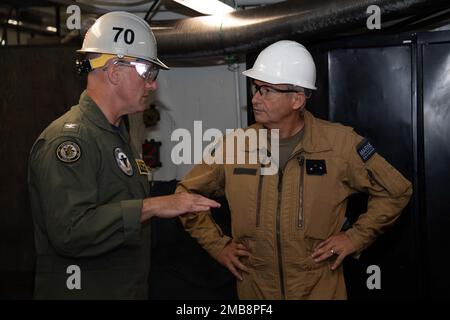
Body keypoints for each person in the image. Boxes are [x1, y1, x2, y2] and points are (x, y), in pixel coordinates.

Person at [176, 40, 413, 299]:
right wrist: (217, 246)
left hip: (318, 288)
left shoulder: (340, 144)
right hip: (255, 289)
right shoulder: (234, 146)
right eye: (256, 88)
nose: (255, 98)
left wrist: (355, 237)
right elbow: (185, 195)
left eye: (266, 90)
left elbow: (396, 191)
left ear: (297, 99)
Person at [27, 11, 220, 299]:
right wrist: (152, 206)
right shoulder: (71, 140)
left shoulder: (117, 135)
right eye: (147, 72)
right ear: (114, 71)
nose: (152, 84)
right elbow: (70, 232)